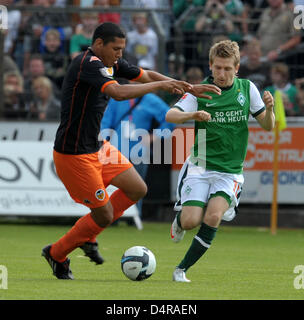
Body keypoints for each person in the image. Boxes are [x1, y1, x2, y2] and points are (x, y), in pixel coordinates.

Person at [41, 22, 219, 280]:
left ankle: (88, 234)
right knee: (103, 215)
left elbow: (145, 75)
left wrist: (187, 87)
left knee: (137, 189)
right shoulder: (87, 63)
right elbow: (118, 92)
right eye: (116, 48)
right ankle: (57, 254)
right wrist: (161, 87)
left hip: (98, 147)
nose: (120, 54)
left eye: (122, 48)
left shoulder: (111, 62)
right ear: (99, 44)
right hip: (74, 155)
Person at [166, 40, 275, 282]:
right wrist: (192, 114)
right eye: (217, 68)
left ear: (237, 68)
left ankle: (181, 270)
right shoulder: (200, 90)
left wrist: (270, 109)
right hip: (200, 165)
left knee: (213, 217)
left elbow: (268, 126)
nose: (222, 74)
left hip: (230, 172)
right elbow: (170, 114)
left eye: (227, 68)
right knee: (191, 220)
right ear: (210, 66)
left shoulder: (248, 89)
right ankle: (180, 219)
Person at [101, 89, 175, 217]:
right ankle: (113, 217)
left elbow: (171, 119)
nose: (135, 83)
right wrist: (102, 142)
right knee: (112, 188)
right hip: (115, 152)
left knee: (137, 189)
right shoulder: (118, 97)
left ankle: (134, 218)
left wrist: (154, 136)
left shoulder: (150, 99)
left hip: (139, 152)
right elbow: (105, 123)